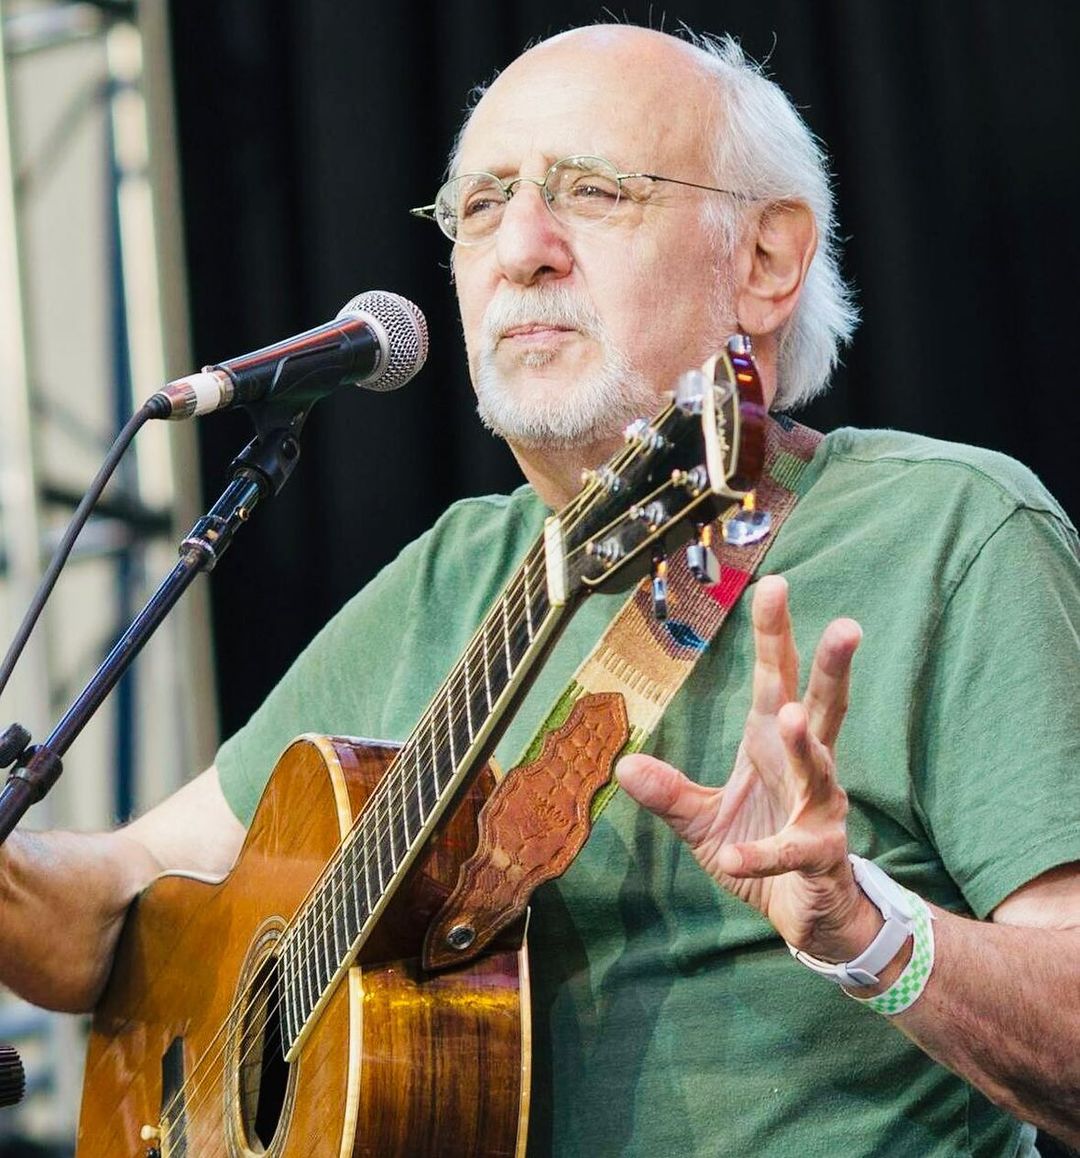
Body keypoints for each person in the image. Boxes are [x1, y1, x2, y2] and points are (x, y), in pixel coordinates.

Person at [2, 22, 1079, 1156]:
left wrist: (868, 931)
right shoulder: (450, 576)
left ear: (766, 259)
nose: (521, 247)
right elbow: (117, 914)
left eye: (596, 192)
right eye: (478, 206)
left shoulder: (948, 531)